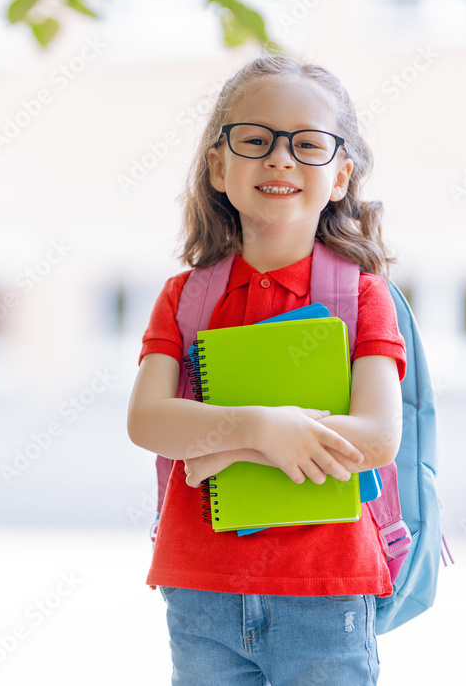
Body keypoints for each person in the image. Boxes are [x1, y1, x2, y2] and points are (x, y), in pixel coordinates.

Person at [126, 53, 408, 685]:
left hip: (327, 593)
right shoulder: (186, 297)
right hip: (200, 592)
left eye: (308, 144)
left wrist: (223, 446)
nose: (281, 159)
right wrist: (260, 426)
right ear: (219, 165)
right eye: (256, 140)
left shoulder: (363, 298)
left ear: (341, 175)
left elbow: (376, 438)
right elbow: (147, 421)